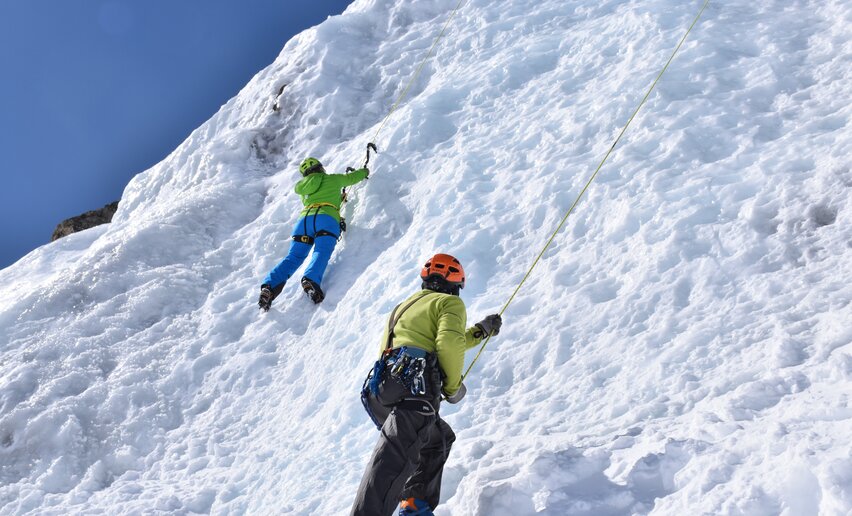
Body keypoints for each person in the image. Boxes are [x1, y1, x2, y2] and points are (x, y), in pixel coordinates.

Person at [351, 253, 502, 516]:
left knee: (436, 440)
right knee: (394, 461)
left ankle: (414, 506)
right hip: (416, 388)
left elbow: (435, 342)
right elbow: (448, 344)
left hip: (382, 390)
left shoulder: (405, 306)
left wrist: (480, 331)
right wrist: (453, 389)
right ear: (456, 285)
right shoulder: (450, 304)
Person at [259, 157, 368, 309]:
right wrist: (365, 171)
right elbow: (352, 177)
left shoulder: (304, 189)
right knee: (321, 251)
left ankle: (269, 287)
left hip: (304, 222)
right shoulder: (332, 179)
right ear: (321, 168)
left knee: (294, 257)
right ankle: (310, 279)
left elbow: (319, 196)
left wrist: (337, 198)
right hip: (326, 219)